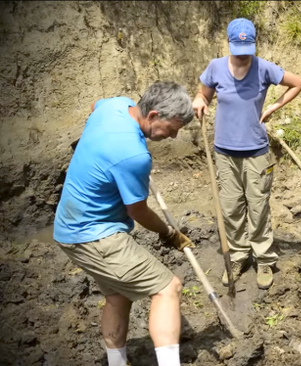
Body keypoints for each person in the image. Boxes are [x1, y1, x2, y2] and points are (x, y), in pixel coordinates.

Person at [53, 81, 197, 366]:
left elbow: (95, 105)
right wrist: (169, 233)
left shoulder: (116, 105)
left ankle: (117, 363)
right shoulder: (134, 156)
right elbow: (138, 212)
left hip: (68, 226)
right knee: (168, 288)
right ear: (154, 115)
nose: (173, 135)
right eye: (173, 127)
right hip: (94, 235)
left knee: (118, 296)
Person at [192, 18, 301, 289]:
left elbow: (297, 83)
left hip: (256, 151)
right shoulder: (215, 67)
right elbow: (203, 95)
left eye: (247, 47)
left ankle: (264, 258)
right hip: (224, 152)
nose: (242, 53)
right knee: (231, 208)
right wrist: (199, 100)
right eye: (237, 47)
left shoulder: (264, 68)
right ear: (228, 43)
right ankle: (239, 254)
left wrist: (273, 107)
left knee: (258, 206)